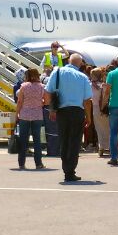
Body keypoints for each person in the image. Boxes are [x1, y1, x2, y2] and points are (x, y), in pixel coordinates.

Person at [44, 54, 93, 182]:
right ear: (80, 64)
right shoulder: (83, 77)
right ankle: (70, 170)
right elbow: (87, 100)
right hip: (77, 111)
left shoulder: (57, 72)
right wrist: (88, 116)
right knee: (75, 141)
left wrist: (52, 109)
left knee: (64, 140)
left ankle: (66, 168)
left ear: (68, 61)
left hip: (62, 111)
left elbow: (48, 91)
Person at [14, 67, 46, 170]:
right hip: (37, 115)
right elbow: (46, 100)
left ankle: (21, 164)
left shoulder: (24, 86)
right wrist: (39, 103)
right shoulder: (42, 87)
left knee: (23, 140)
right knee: (37, 140)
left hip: (25, 115)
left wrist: (17, 114)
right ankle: (38, 163)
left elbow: (19, 101)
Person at [89, 68, 111, 157]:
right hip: (106, 108)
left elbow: (90, 97)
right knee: (108, 128)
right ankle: (109, 146)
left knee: (99, 128)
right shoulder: (105, 85)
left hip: (96, 108)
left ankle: (101, 147)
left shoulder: (91, 85)